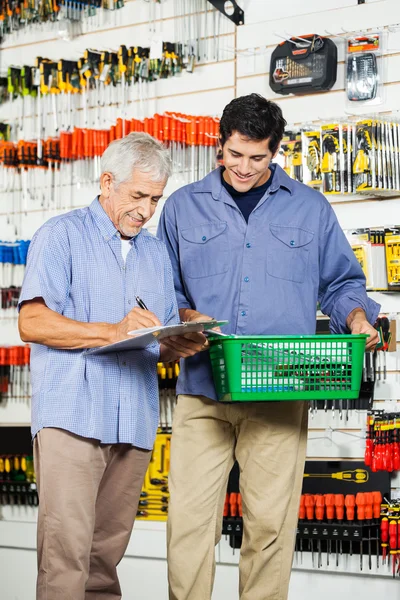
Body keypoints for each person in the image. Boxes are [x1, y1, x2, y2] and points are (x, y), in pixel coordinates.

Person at [157, 94, 380, 600]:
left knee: (269, 529)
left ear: (275, 152)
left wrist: (359, 317)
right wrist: (186, 315)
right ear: (221, 145)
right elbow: (162, 289)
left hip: (281, 389)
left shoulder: (310, 207)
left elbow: (342, 281)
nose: (243, 168)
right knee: (188, 527)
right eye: (235, 155)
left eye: (257, 158)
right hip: (202, 389)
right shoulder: (181, 207)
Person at [18, 132, 206, 600]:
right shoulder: (60, 235)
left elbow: (151, 339)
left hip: (134, 422)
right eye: (138, 196)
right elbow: (32, 321)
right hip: (73, 419)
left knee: (105, 563)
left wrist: (176, 344)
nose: (146, 210)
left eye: (155, 199)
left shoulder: (156, 252)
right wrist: (109, 331)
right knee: (66, 560)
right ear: (107, 182)